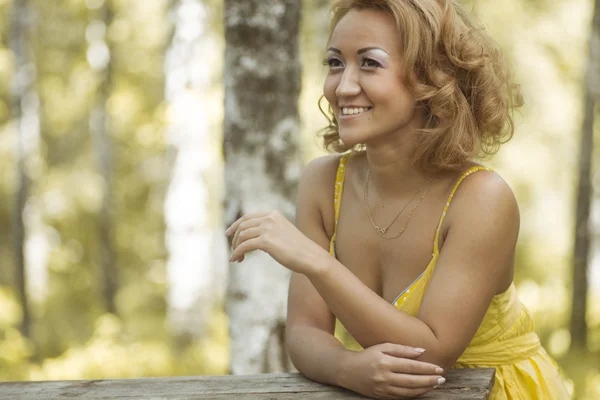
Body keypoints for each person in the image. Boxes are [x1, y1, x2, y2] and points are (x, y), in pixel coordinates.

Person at [226, 0, 571, 398]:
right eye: (335, 62)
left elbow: (432, 352)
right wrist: (346, 367)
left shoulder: (481, 197)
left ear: (430, 78)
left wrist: (314, 260)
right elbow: (304, 332)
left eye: (369, 63)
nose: (343, 86)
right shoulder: (323, 182)